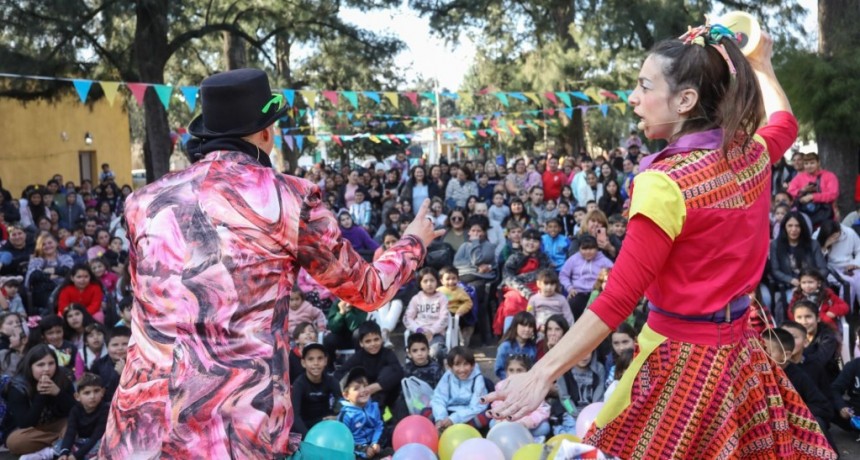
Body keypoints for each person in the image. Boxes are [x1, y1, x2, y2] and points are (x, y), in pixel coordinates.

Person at [483, 24, 837, 458]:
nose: (633, 98)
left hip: (680, 365)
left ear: (685, 101)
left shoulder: (664, 182)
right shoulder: (750, 154)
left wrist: (541, 373)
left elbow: (617, 300)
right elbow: (784, 122)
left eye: (644, 86)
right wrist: (763, 65)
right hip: (743, 357)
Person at [103, 71, 438, 459]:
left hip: (139, 427)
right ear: (266, 133)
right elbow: (367, 290)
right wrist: (414, 242)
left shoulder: (143, 202)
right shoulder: (287, 199)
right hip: (235, 430)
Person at [2, 344, 75, 458]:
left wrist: (58, 393)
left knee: (72, 423)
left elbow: (76, 410)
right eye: (40, 365)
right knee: (14, 442)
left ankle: (51, 449)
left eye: (51, 363)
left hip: (57, 425)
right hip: (31, 432)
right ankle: (59, 446)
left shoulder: (63, 377)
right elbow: (25, 423)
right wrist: (41, 395)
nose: (47, 369)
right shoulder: (18, 386)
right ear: (30, 366)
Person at [335, 321, 404, 413]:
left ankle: (384, 413)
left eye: (376, 339)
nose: (373, 344)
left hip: (387, 396)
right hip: (364, 397)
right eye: (368, 341)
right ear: (361, 343)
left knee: (390, 371)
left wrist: (375, 387)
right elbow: (339, 373)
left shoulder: (387, 353)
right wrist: (357, 385)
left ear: (381, 339)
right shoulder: (358, 357)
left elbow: (399, 371)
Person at [490, 355, 551, 439]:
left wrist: (526, 422)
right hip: (507, 421)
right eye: (511, 370)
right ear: (506, 371)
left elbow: (542, 410)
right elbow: (497, 405)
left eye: (519, 370)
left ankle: (525, 437)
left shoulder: (534, 387)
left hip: (526, 422)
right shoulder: (501, 386)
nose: (515, 374)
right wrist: (501, 418)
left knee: (544, 427)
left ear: (528, 372)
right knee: (492, 424)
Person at [431, 346, 490, 431]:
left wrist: (454, 419)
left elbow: (477, 406)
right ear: (450, 367)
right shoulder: (447, 376)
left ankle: (460, 429)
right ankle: (443, 427)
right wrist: (440, 418)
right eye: (457, 365)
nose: (462, 369)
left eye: (466, 364)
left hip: (468, 414)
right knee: (427, 411)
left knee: (485, 417)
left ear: (472, 365)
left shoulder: (477, 379)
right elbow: (438, 398)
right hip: (448, 412)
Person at [338, 367, 388, 459]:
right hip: (357, 453)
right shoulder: (346, 415)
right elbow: (344, 440)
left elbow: (379, 426)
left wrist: (375, 443)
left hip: (374, 447)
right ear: (346, 395)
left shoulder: (374, 407)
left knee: (391, 452)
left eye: (365, 386)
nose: (363, 390)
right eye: (357, 388)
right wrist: (363, 449)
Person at [290, 343, 340, 434]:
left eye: (320, 358)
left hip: (326, 426)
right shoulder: (299, 384)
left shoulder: (332, 381)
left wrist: (337, 417)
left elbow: (341, 404)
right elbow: (295, 417)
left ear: (325, 361)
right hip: (305, 428)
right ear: (303, 363)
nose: (316, 363)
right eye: (311, 359)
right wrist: (308, 438)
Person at [57, 373, 109, 460]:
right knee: (61, 444)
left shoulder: (105, 410)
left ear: (102, 392)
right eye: (87, 393)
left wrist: (76, 456)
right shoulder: (75, 410)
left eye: (96, 391)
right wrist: (64, 452)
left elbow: (96, 436)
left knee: (102, 448)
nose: (92, 396)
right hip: (81, 441)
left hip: (96, 442)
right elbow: (71, 432)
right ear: (77, 396)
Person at [403, 268, 448, 362]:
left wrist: (431, 331)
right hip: (418, 333)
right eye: (425, 281)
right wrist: (418, 329)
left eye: (432, 280)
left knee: (437, 352)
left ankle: (435, 372)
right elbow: (407, 318)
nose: (429, 284)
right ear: (420, 283)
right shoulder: (416, 298)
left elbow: (444, 318)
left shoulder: (442, 298)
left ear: (437, 282)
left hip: (436, 334)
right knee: (415, 352)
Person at [787, 152, 838, 228]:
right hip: (806, 217)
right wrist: (802, 190)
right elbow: (789, 193)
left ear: (818, 163)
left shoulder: (829, 176)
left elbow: (833, 194)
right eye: (806, 163)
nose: (809, 166)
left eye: (812, 163)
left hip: (826, 216)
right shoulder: (799, 178)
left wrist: (812, 197)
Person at [494, 311, 537, 379]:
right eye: (523, 325)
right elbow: (499, 369)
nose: (527, 329)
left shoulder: (532, 348)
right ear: (515, 326)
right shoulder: (505, 347)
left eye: (530, 326)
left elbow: (534, 369)